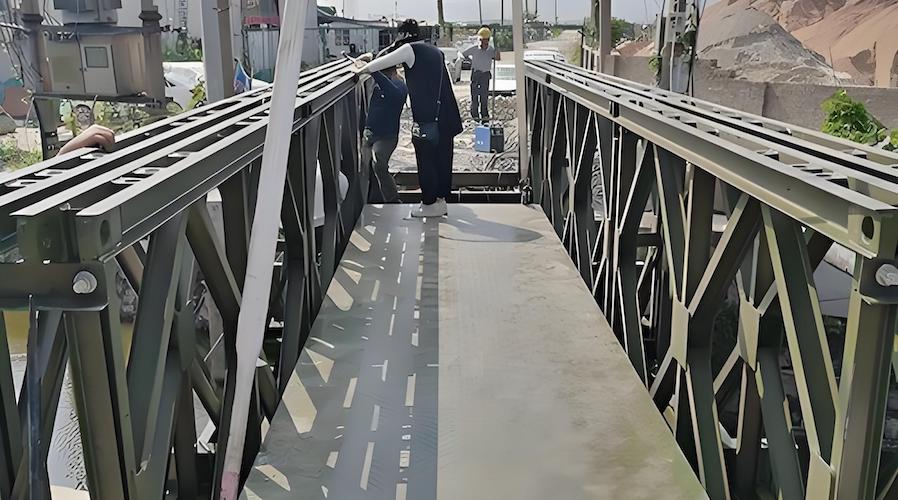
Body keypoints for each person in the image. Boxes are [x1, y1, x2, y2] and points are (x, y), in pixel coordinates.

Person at [354, 19, 463, 218]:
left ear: (403, 35)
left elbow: (383, 62)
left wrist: (363, 67)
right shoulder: (434, 51)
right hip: (446, 116)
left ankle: (429, 204)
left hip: (428, 118)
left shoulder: (410, 50)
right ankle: (440, 201)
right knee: (442, 160)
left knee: (426, 160)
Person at [364, 65, 408, 203]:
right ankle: (374, 197)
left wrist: (374, 72)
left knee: (379, 164)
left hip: (387, 136)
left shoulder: (400, 86)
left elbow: (393, 93)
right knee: (366, 166)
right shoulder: (377, 84)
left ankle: (392, 199)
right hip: (371, 132)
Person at [458, 27, 500, 123]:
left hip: (485, 75)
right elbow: (462, 54)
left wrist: (497, 48)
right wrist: (468, 61)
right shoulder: (474, 49)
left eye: (485, 40)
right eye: (482, 40)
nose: (483, 43)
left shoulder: (491, 50)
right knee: (475, 95)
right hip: (476, 74)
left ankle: (484, 116)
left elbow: (497, 58)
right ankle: (475, 116)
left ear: (488, 40)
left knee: (484, 96)